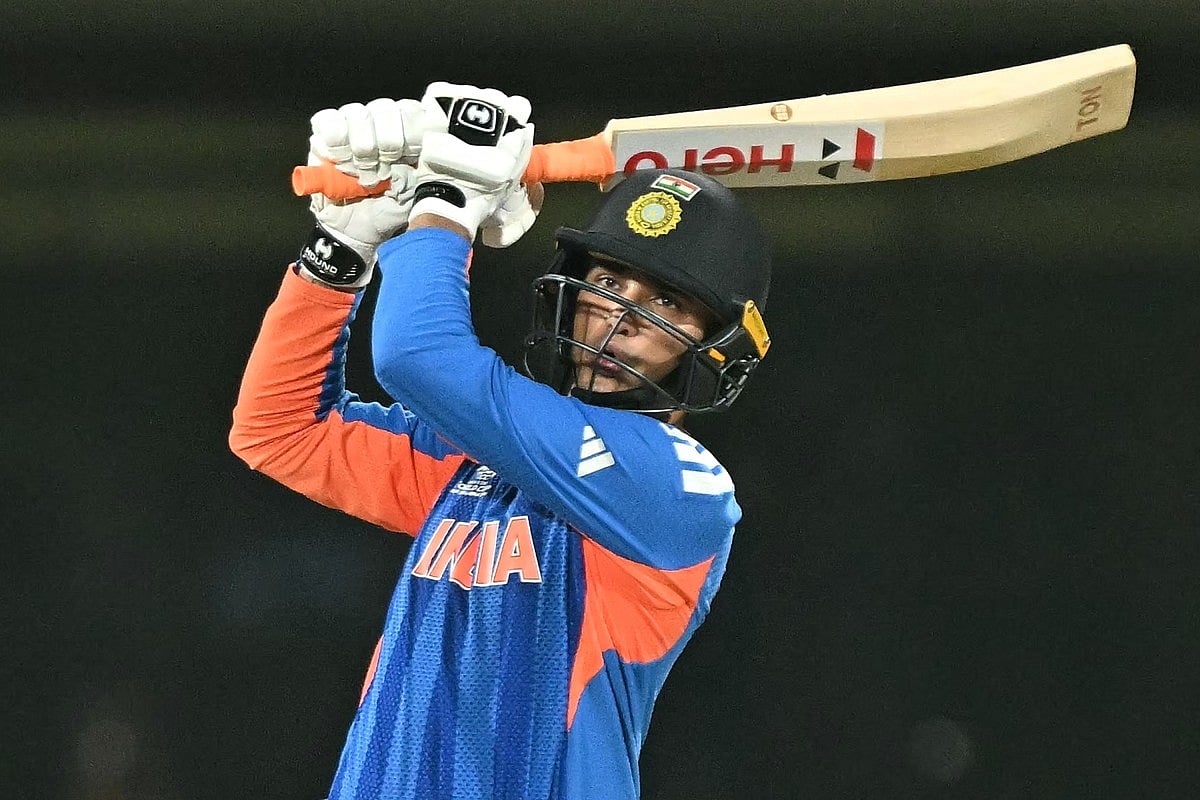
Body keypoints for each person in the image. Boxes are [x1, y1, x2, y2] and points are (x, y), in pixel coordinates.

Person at [229, 82, 772, 800]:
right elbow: (281, 430)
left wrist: (446, 201)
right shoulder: (483, 460)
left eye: (666, 302)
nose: (619, 317)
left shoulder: (676, 489)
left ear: (717, 349)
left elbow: (417, 356)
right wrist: (343, 247)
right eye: (607, 281)